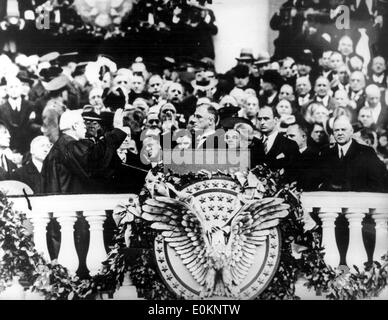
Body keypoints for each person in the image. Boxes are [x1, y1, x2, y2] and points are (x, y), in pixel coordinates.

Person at [41, 109, 129, 194]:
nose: (85, 127)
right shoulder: (70, 145)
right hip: (71, 203)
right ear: (75, 126)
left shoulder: (62, 144)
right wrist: (117, 131)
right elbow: (96, 157)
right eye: (83, 123)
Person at [318, 115, 386, 192]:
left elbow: (378, 182)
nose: (340, 133)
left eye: (343, 130)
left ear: (351, 131)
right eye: (336, 130)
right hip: (333, 201)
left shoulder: (366, 152)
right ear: (333, 133)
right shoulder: (326, 153)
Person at [250, 105, 299, 178]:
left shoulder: (289, 145)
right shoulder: (254, 145)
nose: (262, 122)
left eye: (266, 119)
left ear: (276, 120)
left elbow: (294, 172)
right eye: (259, 119)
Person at [286, 123, 320, 190]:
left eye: (291, 136)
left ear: (303, 137)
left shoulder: (315, 157)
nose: (288, 139)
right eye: (286, 136)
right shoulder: (285, 156)